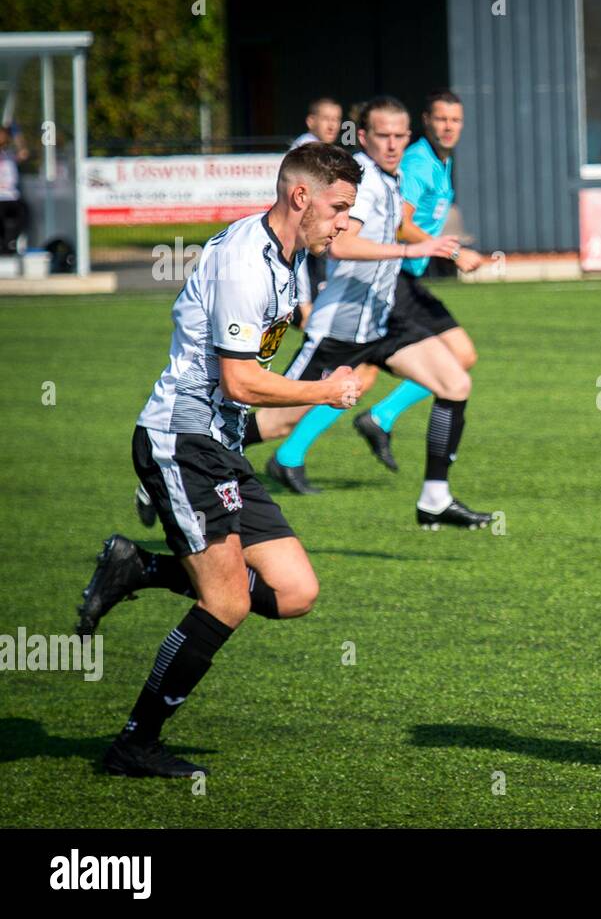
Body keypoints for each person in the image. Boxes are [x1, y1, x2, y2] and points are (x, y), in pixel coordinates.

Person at [78, 142, 365, 777]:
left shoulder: (287, 258)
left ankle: (141, 568)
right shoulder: (244, 262)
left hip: (220, 447)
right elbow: (238, 381)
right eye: (339, 207)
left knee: (294, 592)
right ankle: (134, 743)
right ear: (300, 197)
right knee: (229, 600)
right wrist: (322, 391)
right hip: (179, 443)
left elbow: (243, 392)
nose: (344, 221)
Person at [258, 96, 492, 529]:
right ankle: (185, 457)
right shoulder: (361, 182)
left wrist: (440, 248)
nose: (392, 143)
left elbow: (396, 225)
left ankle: (434, 500)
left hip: (381, 320)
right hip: (342, 327)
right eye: (382, 135)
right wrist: (415, 248)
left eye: (399, 136)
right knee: (275, 420)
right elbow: (342, 245)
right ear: (363, 137)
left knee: (455, 381)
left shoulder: (395, 174)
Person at [350, 88, 486, 481]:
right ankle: (289, 452)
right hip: (393, 278)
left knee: (459, 356)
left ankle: (378, 418)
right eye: (441, 119)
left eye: (455, 120)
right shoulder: (419, 164)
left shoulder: (439, 163)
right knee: (351, 379)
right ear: (426, 121)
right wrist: (452, 252)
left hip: (407, 277)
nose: (449, 127)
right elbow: (398, 222)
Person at [0, 125, 29, 255]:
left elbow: (23, 153)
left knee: (22, 217)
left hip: (11, 197)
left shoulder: (9, 155)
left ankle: (9, 245)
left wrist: (16, 134)